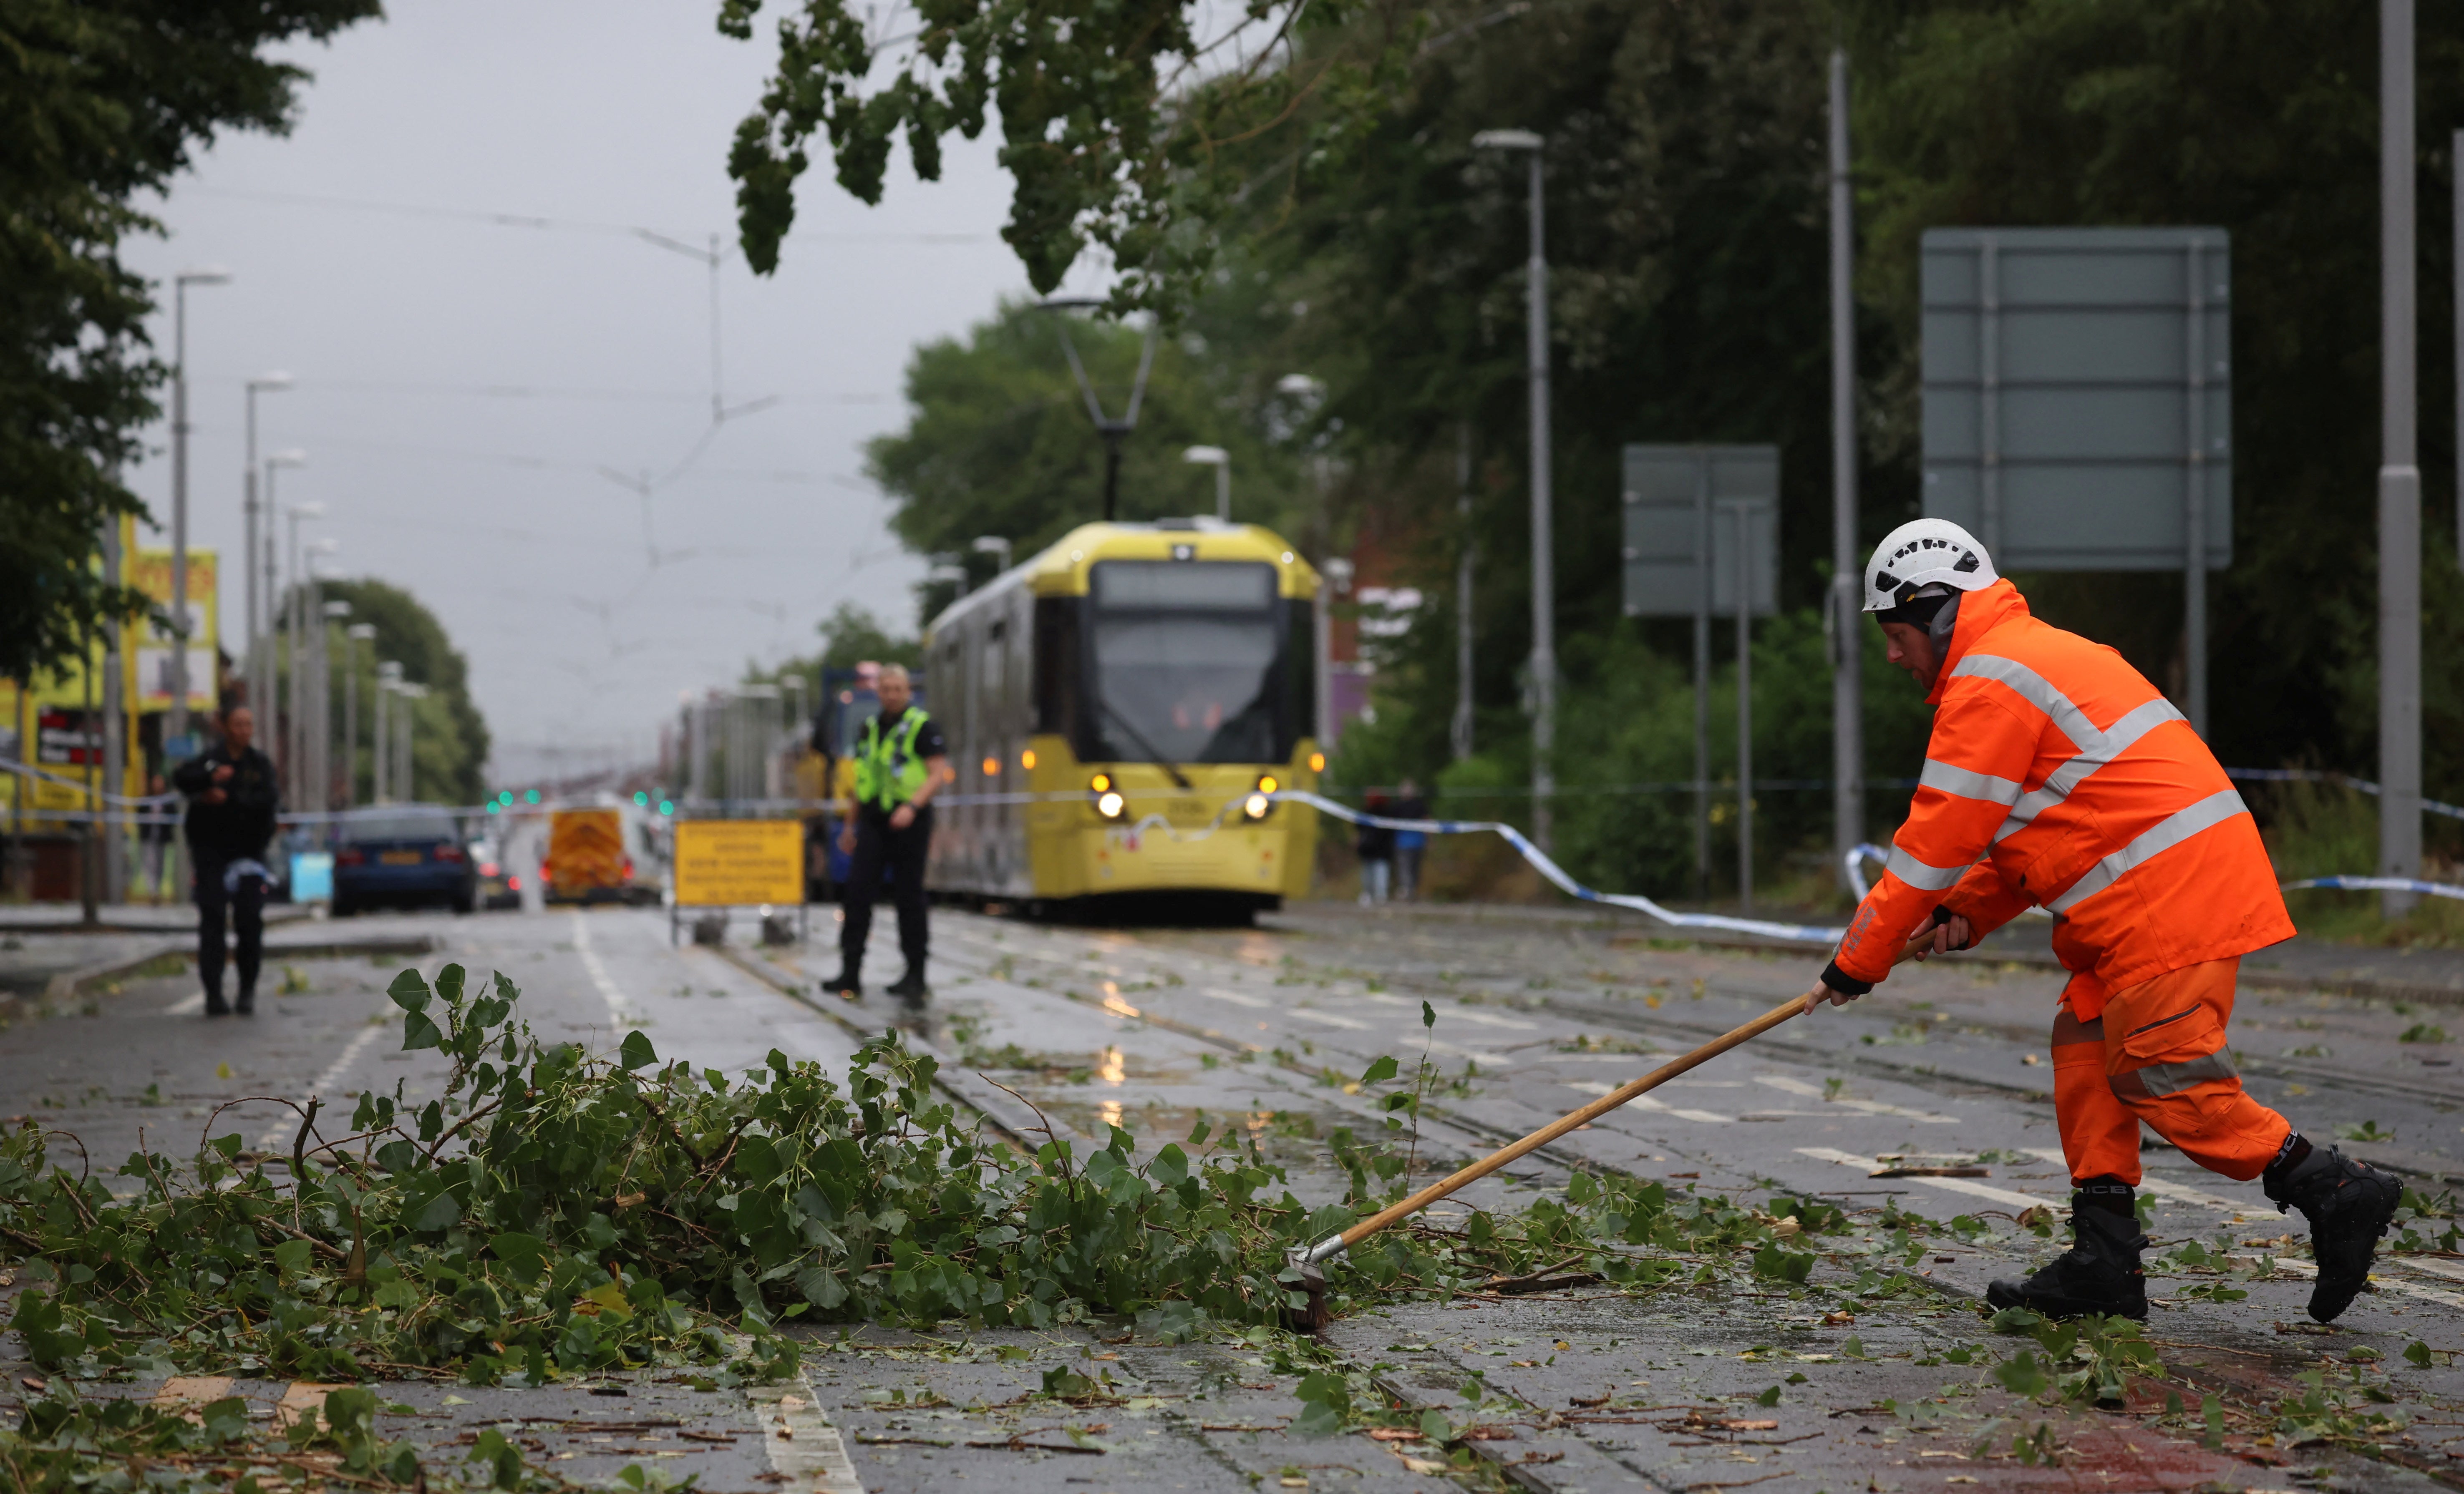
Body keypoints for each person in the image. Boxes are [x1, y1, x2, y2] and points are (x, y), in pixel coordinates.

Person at [1810, 518, 2399, 1325]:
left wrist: (1857, 961)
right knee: (2086, 1043)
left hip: (2166, 898)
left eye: (1897, 631)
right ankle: (2104, 1262)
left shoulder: (1992, 680)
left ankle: (2333, 1185)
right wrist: (1960, 912)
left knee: (2163, 1071)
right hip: (2144, 899)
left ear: (1939, 612)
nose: (1890, 653)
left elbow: (1932, 843)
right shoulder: (2031, 659)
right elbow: (2029, 841)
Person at [822, 664, 946, 1003]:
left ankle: (916, 975)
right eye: (886, 689)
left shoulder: (922, 727)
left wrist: (913, 807)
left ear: (908, 691)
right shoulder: (871, 729)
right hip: (874, 821)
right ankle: (850, 973)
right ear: (878, 692)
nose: (891, 694)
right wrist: (850, 826)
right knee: (857, 894)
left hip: (911, 821)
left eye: (897, 689)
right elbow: (861, 783)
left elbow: (938, 773)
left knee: (909, 897)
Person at [170, 705, 280, 1017]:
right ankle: (214, 993)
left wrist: (230, 800)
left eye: (249, 724)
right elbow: (182, 778)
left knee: (250, 921)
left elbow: (267, 802)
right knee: (213, 919)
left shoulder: (259, 765)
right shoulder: (211, 759)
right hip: (211, 852)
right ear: (226, 727)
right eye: (238, 724)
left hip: (249, 855)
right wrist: (209, 781)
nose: (244, 730)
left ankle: (247, 990)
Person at [139, 772, 175, 904]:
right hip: (149, 837)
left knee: (161, 864)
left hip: (162, 837)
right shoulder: (146, 800)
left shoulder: (167, 801)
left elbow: (173, 814)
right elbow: (139, 814)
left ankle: (158, 890)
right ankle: (152, 891)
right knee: (150, 863)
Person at [1391, 779, 1429, 902]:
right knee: (1408, 868)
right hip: (1405, 842)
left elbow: (1427, 822)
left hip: (1413, 842)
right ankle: (1409, 891)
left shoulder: (1419, 805)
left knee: (1409, 869)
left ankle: (1409, 891)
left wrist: (1429, 839)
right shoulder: (1398, 807)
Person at [1356, 793, 1395, 905]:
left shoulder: (1386, 814)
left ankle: (1379, 897)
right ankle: (1371, 895)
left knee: (1378, 874)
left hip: (1380, 851)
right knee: (1370, 875)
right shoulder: (1365, 813)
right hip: (1370, 851)